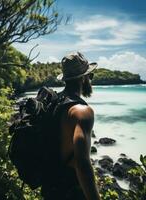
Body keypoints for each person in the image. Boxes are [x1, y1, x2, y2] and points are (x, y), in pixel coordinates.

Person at [42, 52, 101, 200]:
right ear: (83, 78)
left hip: (50, 187)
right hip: (71, 191)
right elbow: (82, 164)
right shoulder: (82, 112)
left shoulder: (53, 103)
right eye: (90, 76)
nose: (90, 80)